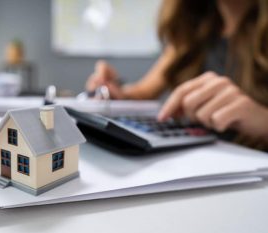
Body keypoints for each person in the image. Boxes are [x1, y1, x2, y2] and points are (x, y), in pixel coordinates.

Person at [86, 0, 268, 149]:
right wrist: (114, 90)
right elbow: (142, 92)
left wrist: (262, 121)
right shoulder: (192, 31)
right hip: (199, 161)